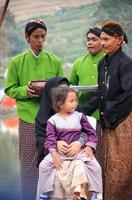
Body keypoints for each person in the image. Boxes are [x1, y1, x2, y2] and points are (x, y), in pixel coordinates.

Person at [4, 19, 63, 200]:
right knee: (29, 165)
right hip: (29, 120)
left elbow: (62, 88)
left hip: (52, 122)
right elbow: (10, 88)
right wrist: (26, 91)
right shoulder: (16, 62)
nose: (40, 41)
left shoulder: (55, 61)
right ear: (27, 37)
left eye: (43, 37)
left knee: (55, 164)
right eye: (36, 37)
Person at [79, 20, 132, 200]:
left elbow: (129, 94)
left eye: (106, 39)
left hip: (125, 122)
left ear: (118, 40)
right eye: (101, 39)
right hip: (109, 122)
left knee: (123, 171)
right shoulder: (103, 63)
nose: (102, 43)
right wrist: (81, 111)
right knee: (108, 168)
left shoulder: (126, 63)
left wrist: (109, 112)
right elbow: (102, 94)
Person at [36, 85, 103, 200]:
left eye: (76, 100)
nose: (75, 103)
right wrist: (54, 154)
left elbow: (91, 133)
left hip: (78, 152)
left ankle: (97, 194)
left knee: (96, 167)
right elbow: (50, 138)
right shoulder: (53, 120)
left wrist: (89, 147)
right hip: (60, 153)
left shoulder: (79, 116)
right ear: (60, 104)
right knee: (43, 166)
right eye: (71, 101)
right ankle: (44, 192)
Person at [69, 26, 105, 119]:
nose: (89, 42)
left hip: (105, 114)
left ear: (103, 41)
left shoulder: (109, 61)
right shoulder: (78, 62)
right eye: (88, 39)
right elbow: (71, 85)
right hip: (83, 115)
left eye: (94, 39)